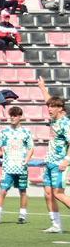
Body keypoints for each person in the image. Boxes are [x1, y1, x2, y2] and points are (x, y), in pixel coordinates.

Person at [35, 77, 70, 233]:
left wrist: (67, 160)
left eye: (52, 107)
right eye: (48, 107)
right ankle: (56, 225)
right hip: (49, 161)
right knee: (48, 193)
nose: (49, 109)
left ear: (60, 109)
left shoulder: (65, 123)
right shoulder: (54, 119)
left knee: (58, 193)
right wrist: (42, 87)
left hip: (59, 163)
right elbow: (50, 100)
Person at [0, 106, 34, 225]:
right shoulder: (5, 132)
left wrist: (27, 159)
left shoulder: (26, 132)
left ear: (20, 117)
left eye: (15, 115)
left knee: (23, 191)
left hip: (21, 166)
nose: (13, 117)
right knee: (3, 191)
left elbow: (31, 148)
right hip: (8, 166)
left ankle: (22, 215)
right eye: (11, 115)